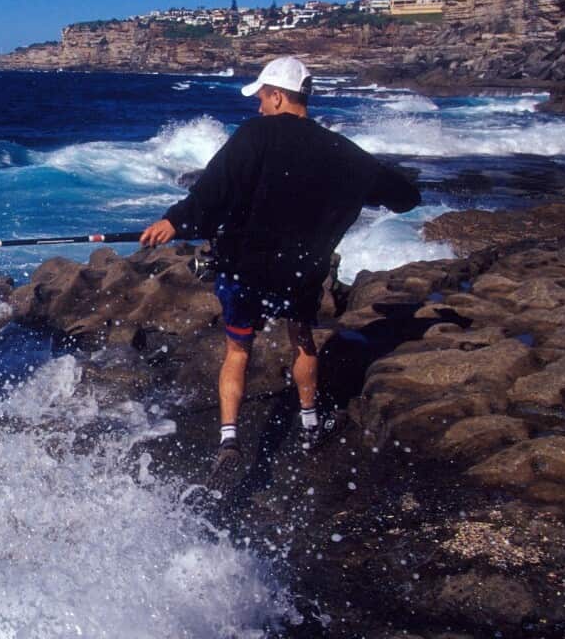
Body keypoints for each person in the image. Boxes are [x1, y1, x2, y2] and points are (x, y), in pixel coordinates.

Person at [139, 56, 420, 482]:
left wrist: (173, 221)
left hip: (244, 269)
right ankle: (310, 425)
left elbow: (214, 189)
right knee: (302, 339)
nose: (258, 108)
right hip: (301, 272)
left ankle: (229, 441)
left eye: (262, 99)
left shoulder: (255, 135)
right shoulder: (340, 150)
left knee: (238, 351)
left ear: (277, 96)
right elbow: (403, 195)